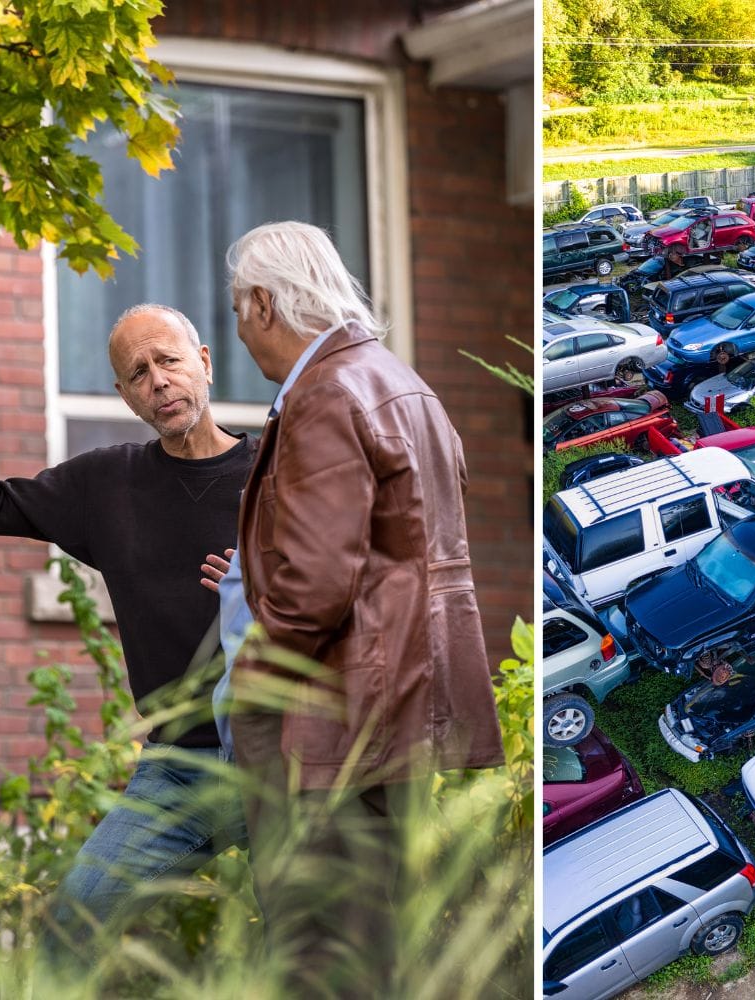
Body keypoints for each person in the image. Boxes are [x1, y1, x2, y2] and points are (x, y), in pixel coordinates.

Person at [0, 299, 253, 961]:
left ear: (204, 364)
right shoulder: (110, 483)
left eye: (169, 361)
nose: (157, 380)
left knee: (307, 943)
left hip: (280, 754)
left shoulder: (276, 472)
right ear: (124, 396)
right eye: (137, 373)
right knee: (74, 920)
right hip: (179, 767)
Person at [221, 221, 504, 997]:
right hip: (408, 714)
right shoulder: (403, 382)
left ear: (264, 305)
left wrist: (248, 681)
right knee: (381, 949)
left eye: (239, 312)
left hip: (337, 728)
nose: (240, 332)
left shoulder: (322, 396)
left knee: (320, 953)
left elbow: (314, 584)